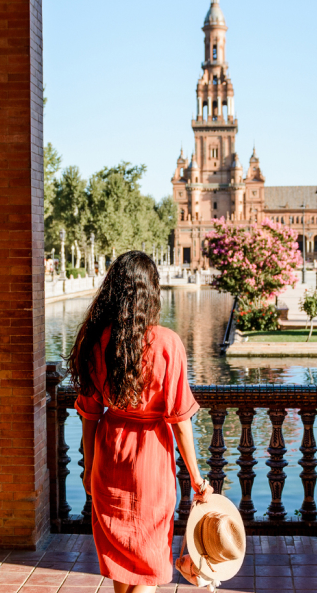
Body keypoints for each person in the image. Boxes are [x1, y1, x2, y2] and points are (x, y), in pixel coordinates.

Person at [69, 250, 213, 593]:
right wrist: (196, 477)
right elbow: (179, 419)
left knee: (123, 564)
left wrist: (89, 468)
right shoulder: (167, 344)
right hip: (150, 463)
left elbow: (89, 414)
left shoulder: (95, 341)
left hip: (110, 457)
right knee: (147, 567)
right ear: (152, 292)